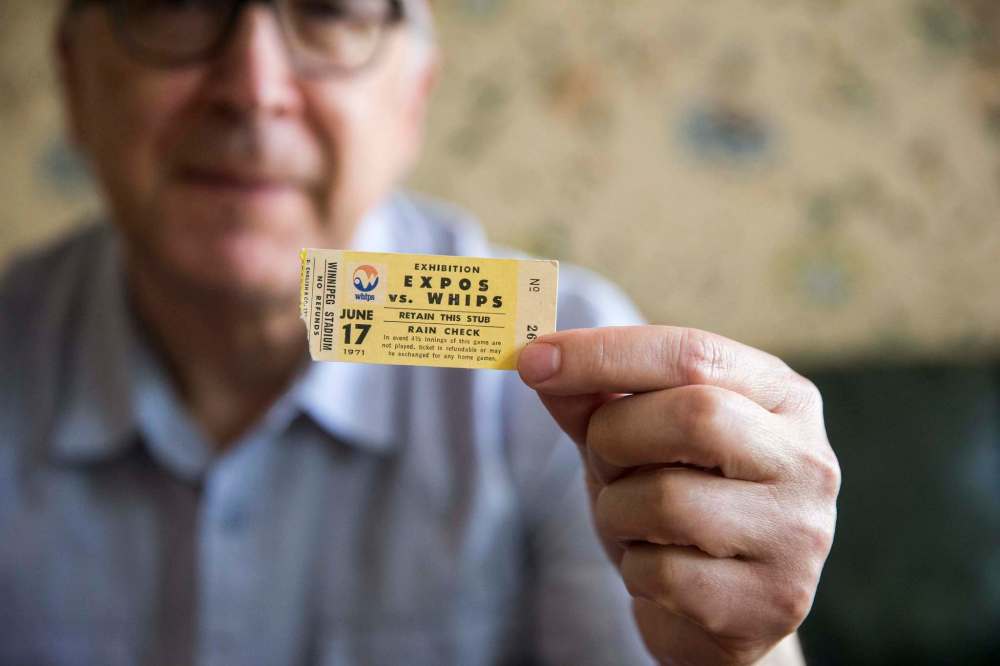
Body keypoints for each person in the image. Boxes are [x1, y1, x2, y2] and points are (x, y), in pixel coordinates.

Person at [0, 1, 840, 664]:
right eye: (176, 3)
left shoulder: (580, 383)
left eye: (330, 11)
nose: (253, 85)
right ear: (74, 82)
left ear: (413, 101)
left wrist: (736, 656)